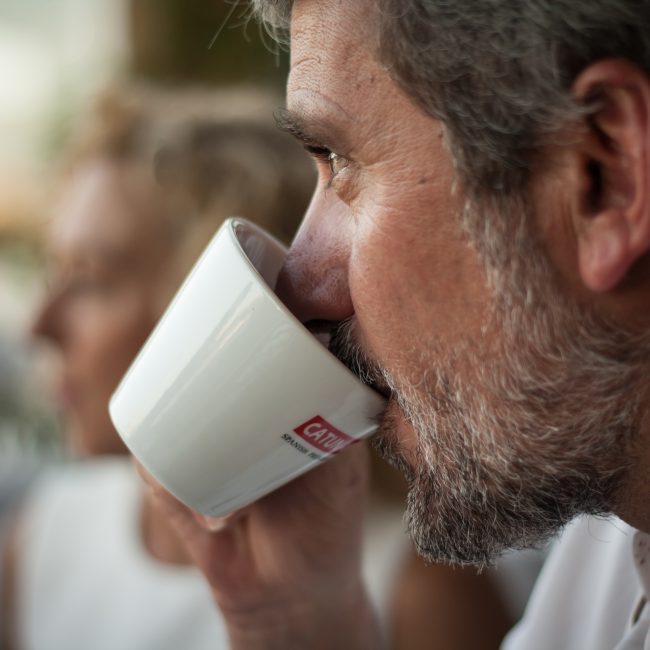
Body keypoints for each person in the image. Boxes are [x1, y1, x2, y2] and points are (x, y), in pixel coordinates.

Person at [133, 0, 650, 648]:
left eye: (340, 161)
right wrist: (295, 622)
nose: (301, 289)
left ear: (605, 177)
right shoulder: (606, 555)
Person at [1, 86, 315, 650]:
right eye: (55, 270)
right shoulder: (45, 534)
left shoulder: (409, 594)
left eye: (92, 278)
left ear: (222, 315)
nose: (39, 326)